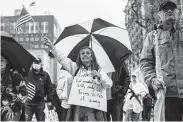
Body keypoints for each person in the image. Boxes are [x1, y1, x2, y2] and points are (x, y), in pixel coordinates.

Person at [44, 37, 113, 121]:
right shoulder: (75, 68)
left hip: (94, 109)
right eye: (82, 53)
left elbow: (109, 84)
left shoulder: (99, 70)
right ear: (80, 57)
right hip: (78, 108)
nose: (85, 55)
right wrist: (52, 48)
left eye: (88, 53)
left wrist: (99, 77)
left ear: (92, 57)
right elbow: (62, 59)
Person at [140, 1, 183, 121]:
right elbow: (145, 62)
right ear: (159, 15)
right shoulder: (152, 37)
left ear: (178, 13)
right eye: (165, 10)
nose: (169, 11)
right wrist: (152, 79)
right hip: (167, 95)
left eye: (173, 9)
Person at [1, 54, 27, 121]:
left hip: (11, 111)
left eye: (1, 60)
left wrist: (9, 106)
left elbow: (24, 93)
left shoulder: (14, 75)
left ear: (7, 61)